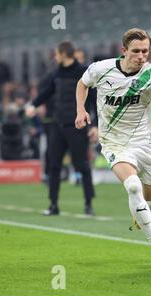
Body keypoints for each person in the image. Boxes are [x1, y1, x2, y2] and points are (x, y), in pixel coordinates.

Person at [75, 28, 151, 262]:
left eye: (145, 51)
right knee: (133, 187)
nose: (141, 56)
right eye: (136, 51)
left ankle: (141, 212)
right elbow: (82, 83)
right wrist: (81, 109)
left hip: (146, 142)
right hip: (114, 143)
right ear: (124, 50)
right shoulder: (101, 69)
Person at [26, 41, 97, 216]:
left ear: (64, 54)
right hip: (58, 125)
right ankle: (53, 205)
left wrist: (95, 125)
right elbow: (47, 92)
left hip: (77, 126)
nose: (55, 57)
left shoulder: (83, 72)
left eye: (57, 54)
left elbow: (95, 99)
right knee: (54, 165)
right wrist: (33, 105)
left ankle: (88, 204)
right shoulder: (56, 73)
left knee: (81, 165)